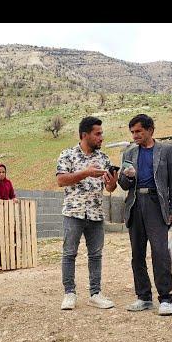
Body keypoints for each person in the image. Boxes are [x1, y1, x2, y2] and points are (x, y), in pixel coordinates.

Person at [117, 114, 172, 316]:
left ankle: (166, 299)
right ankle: (144, 297)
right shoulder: (129, 152)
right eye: (133, 132)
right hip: (135, 205)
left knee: (160, 253)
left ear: (150, 130)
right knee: (137, 254)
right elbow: (124, 185)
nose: (135, 135)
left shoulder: (167, 151)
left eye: (138, 131)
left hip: (156, 204)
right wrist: (127, 177)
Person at [56, 116, 118, 310]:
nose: (101, 137)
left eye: (101, 133)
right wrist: (86, 172)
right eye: (97, 134)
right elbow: (61, 180)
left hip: (96, 214)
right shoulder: (67, 155)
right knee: (69, 253)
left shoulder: (104, 158)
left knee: (96, 255)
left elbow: (110, 189)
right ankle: (69, 294)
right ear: (85, 135)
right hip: (73, 213)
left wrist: (112, 182)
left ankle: (95, 293)